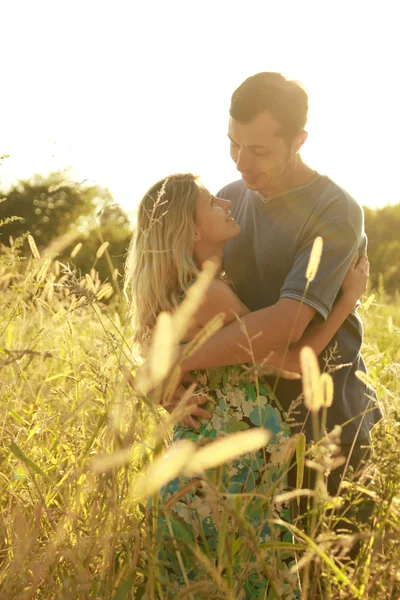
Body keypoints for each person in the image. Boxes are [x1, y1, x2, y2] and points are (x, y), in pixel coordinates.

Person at [125, 173, 368, 598]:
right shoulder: (212, 296)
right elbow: (292, 362)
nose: (226, 200)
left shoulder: (174, 294)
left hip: (206, 470)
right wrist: (346, 302)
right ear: (195, 229)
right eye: (210, 203)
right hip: (228, 476)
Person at [177, 73, 382, 497]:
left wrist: (178, 361)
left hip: (329, 427)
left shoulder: (335, 211)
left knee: (322, 562)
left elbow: (288, 323)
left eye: (259, 150)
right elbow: (186, 300)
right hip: (247, 431)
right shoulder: (229, 197)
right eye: (233, 143)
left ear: (299, 141)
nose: (240, 161)